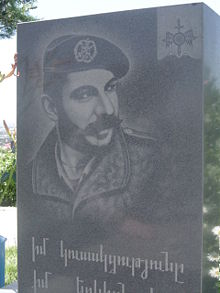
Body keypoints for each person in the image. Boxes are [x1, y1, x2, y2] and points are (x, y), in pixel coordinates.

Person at [31, 34, 159, 231]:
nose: (107, 109)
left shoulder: (151, 161)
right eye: (85, 94)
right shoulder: (30, 176)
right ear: (52, 108)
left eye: (110, 88)